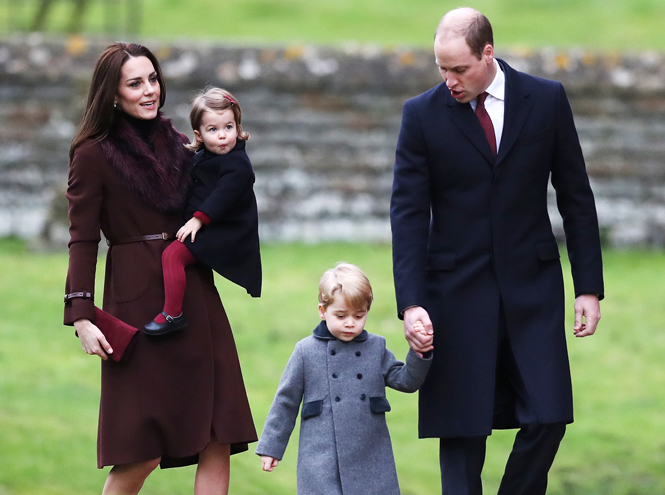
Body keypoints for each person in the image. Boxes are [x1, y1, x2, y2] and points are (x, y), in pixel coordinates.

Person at [390, 8, 604, 495]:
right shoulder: (420, 114)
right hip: (454, 294)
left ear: (488, 53)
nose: (449, 80)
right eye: (441, 69)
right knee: (462, 432)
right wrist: (412, 301)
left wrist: (588, 286)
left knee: (549, 416)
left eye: (459, 69)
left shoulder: (546, 100)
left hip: (533, 290)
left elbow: (575, 195)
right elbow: (406, 213)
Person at [63, 42, 256, 495]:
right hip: (136, 303)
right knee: (142, 447)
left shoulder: (182, 143)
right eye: (135, 83)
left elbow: (228, 192)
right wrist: (82, 315)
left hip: (194, 294)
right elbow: (82, 237)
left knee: (216, 435)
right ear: (112, 94)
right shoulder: (92, 153)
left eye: (153, 79)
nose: (149, 90)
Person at [255, 263, 433, 495]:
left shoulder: (376, 347)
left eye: (359, 316)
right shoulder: (305, 351)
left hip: (371, 454)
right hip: (321, 458)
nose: (350, 323)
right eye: (341, 315)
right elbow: (285, 402)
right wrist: (271, 448)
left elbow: (406, 381)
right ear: (322, 311)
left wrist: (418, 353)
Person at [145, 87, 261, 335]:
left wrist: (198, 220)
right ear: (198, 134)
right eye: (213, 130)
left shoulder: (238, 164)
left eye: (228, 127)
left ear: (238, 127)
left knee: (173, 256)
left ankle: (173, 314)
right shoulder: (202, 157)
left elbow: (223, 195)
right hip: (208, 226)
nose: (222, 136)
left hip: (224, 231)